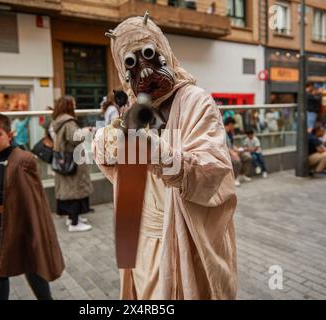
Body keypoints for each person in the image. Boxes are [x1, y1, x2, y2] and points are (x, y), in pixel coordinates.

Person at [94, 15, 237, 299]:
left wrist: (155, 150)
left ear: (163, 50)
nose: (144, 71)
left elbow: (211, 167)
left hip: (184, 232)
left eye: (149, 54)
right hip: (140, 235)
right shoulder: (132, 107)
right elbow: (105, 155)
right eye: (131, 62)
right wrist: (110, 140)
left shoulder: (195, 100)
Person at [0, 113, 64, 300]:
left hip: (17, 224)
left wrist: (34, 229)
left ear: (9, 135)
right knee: (29, 264)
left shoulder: (23, 159)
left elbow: (34, 199)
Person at [49, 96, 94, 232]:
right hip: (73, 161)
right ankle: (74, 224)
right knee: (75, 190)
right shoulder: (69, 122)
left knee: (69, 190)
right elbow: (75, 138)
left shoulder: (58, 121)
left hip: (64, 160)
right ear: (68, 106)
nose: (75, 106)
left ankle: (72, 218)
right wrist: (86, 132)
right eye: (73, 104)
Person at [224, 117, 253, 186]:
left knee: (248, 157)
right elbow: (223, 146)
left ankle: (242, 175)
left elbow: (231, 145)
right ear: (230, 124)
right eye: (233, 125)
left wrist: (238, 149)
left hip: (232, 152)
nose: (234, 127)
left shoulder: (230, 133)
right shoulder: (221, 132)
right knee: (237, 161)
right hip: (225, 153)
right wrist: (233, 153)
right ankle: (234, 178)